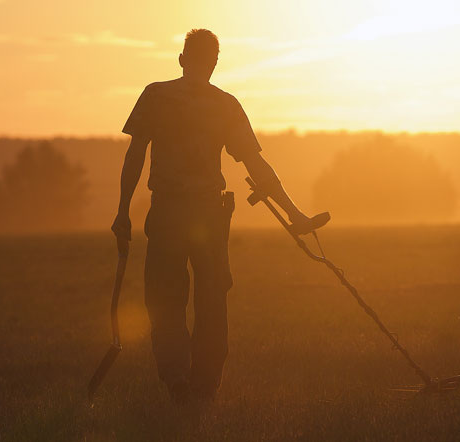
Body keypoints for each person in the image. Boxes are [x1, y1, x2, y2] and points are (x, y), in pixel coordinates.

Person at [113, 28, 312, 405]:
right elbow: (255, 163)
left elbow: (135, 155)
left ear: (182, 59)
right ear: (214, 64)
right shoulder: (225, 105)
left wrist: (123, 212)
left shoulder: (156, 95)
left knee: (165, 299)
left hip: (169, 214)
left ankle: (177, 380)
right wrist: (294, 213)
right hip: (209, 216)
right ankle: (204, 386)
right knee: (212, 301)